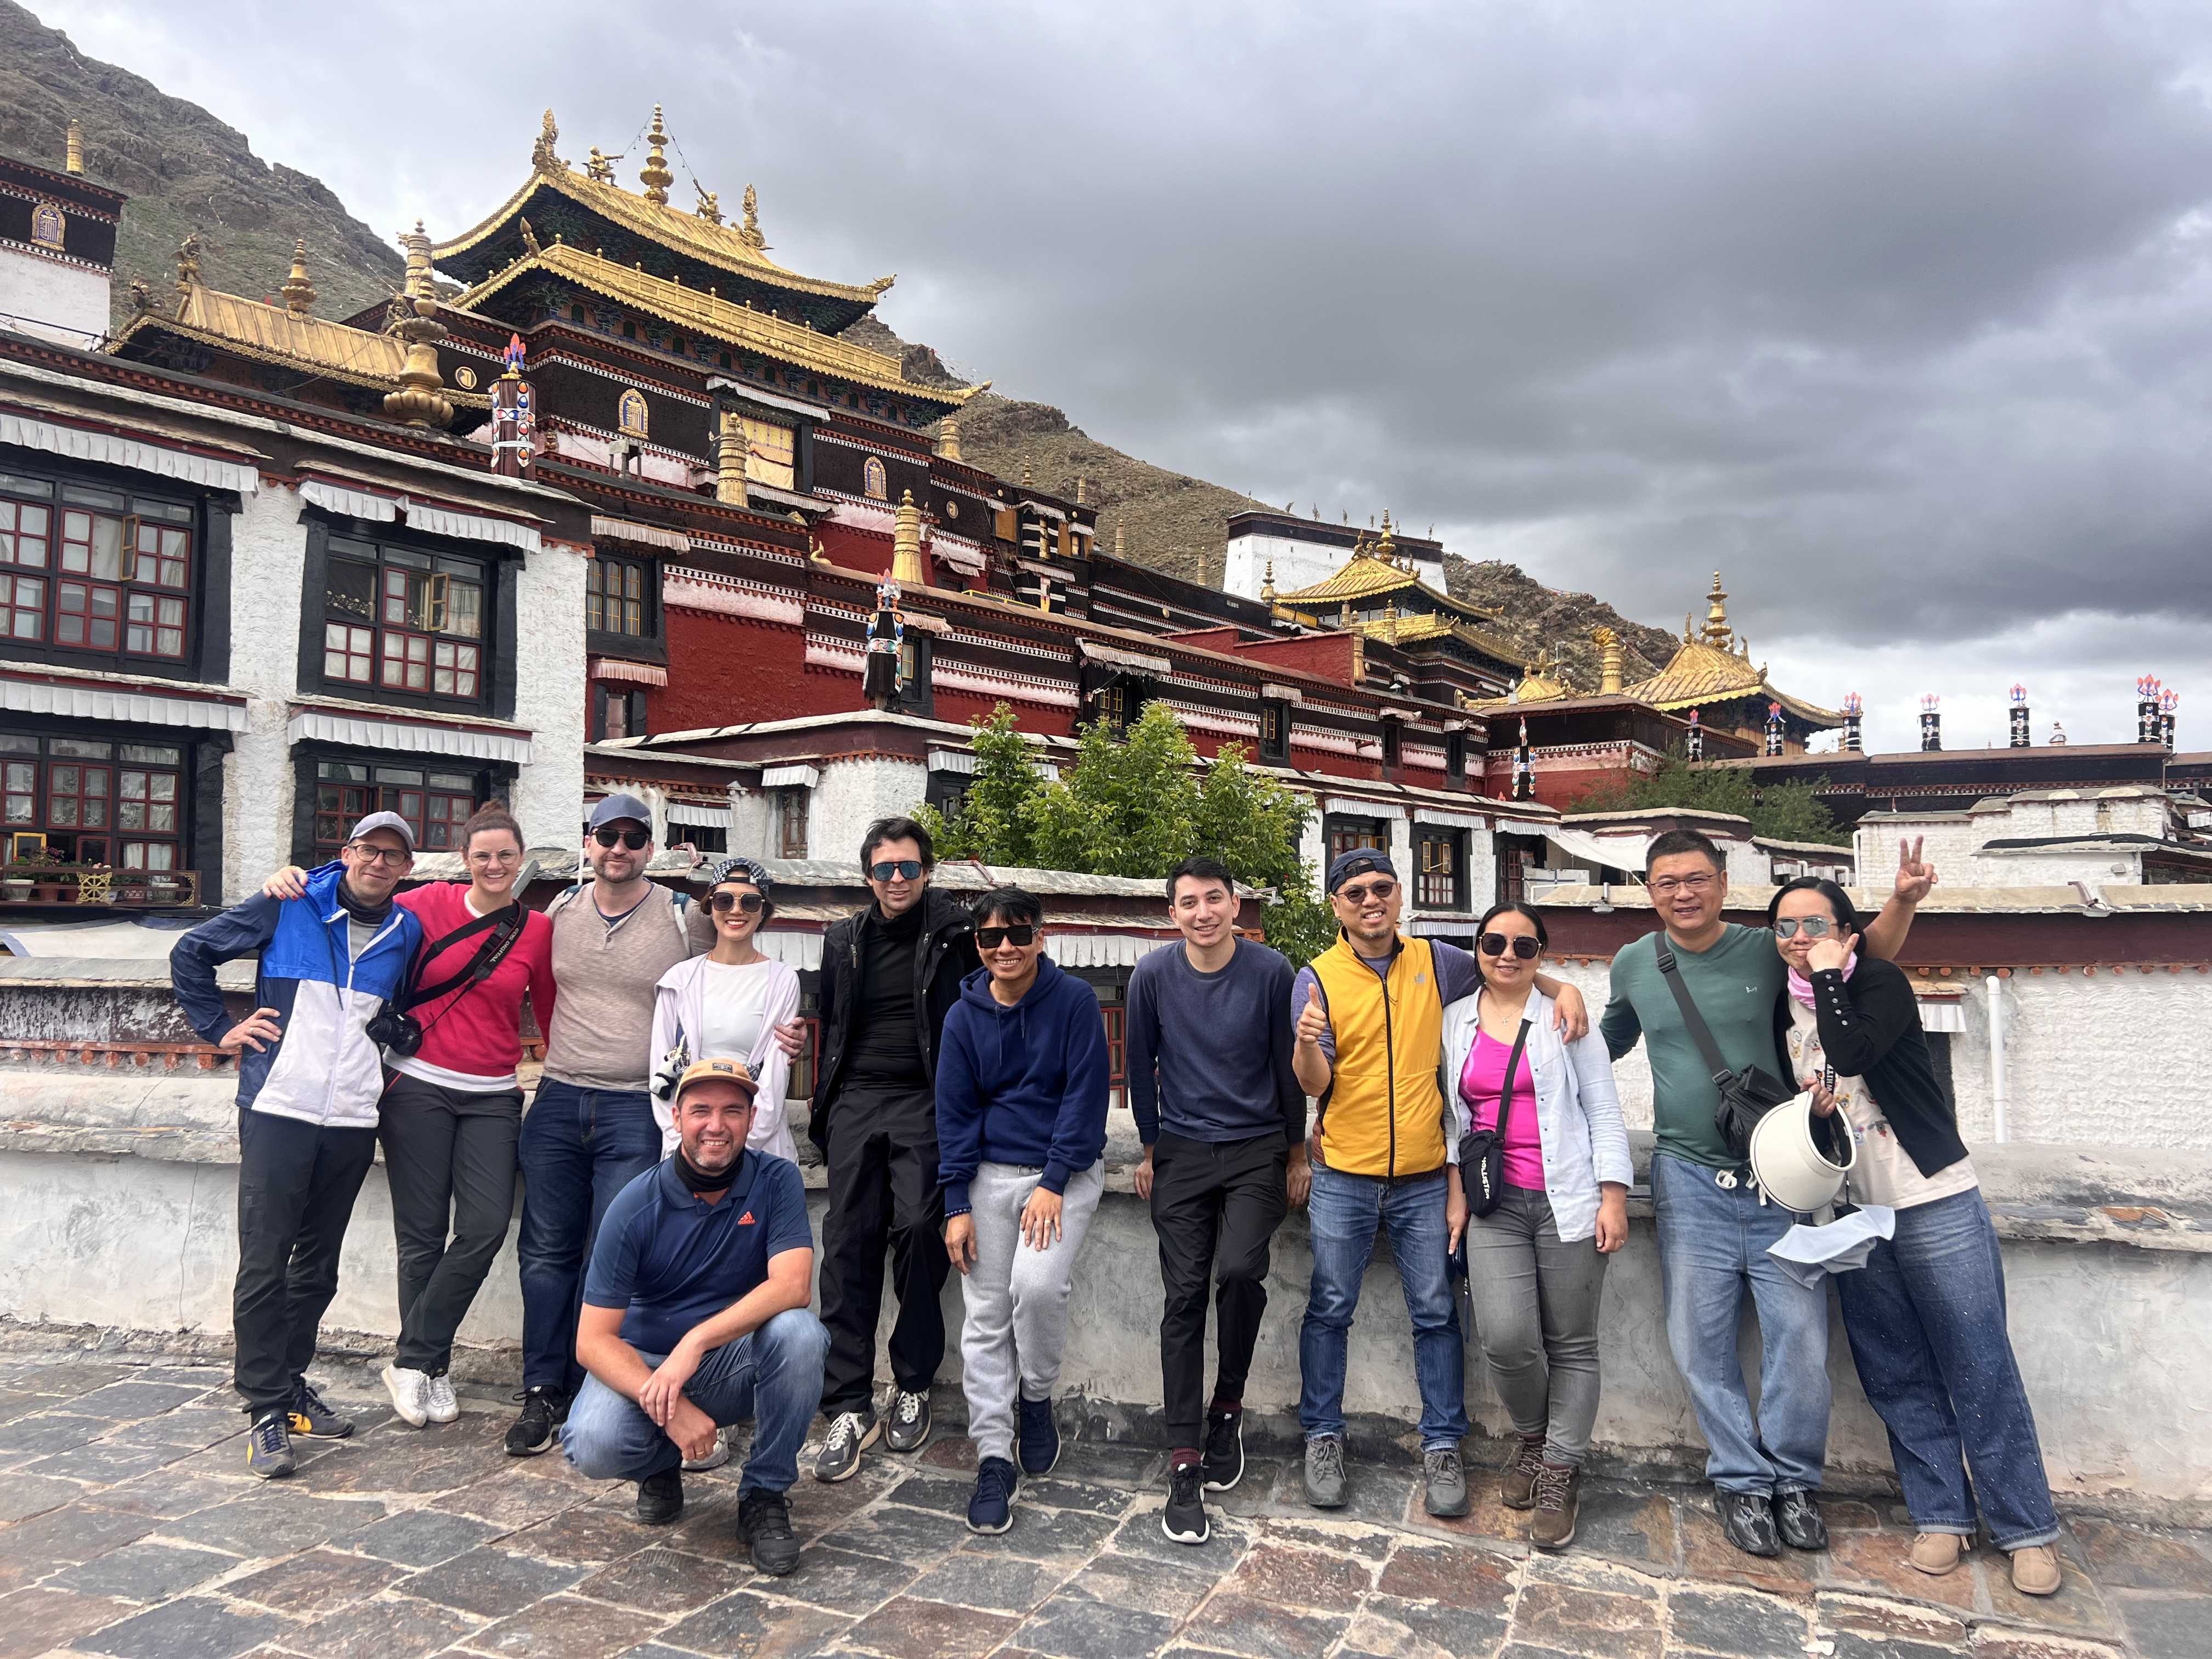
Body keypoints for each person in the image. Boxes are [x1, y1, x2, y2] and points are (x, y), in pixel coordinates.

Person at [1600, 828, 1934, 1558]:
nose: (1681, 894)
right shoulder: (1633, 963)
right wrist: (1555, 996)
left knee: (1800, 1342)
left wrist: (1901, 901)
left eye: (1695, 879)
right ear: (1649, 891)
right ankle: (1742, 1484)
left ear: (1723, 882)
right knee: (1701, 1343)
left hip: (1781, 1181)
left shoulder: (1763, 949)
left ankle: (1794, 1482)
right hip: (1688, 1180)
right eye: (1665, 883)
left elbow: (1862, 952)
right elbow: (1606, 1043)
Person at [1768, 877, 2062, 1598]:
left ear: (1847, 931)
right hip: (1853, 1213)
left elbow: (1853, 1046)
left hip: (1932, 1199)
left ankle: (2025, 1527)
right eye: (1785, 928)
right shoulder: (1784, 1005)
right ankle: (1941, 1515)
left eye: (1815, 924)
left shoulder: (1880, 983)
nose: (1799, 938)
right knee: (1895, 1368)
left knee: (1979, 1360)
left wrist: (1832, 976)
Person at [1290, 848, 1590, 1520]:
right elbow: (1315, 1084)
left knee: (1435, 1311)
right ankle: (1322, 1436)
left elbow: (1506, 972)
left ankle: (1443, 1444)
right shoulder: (1315, 979)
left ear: (1400, 899)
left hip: (1428, 1175)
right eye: (1355, 892)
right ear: (1336, 905)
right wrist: (1308, 1042)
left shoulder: (1438, 961)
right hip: (1343, 1173)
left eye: (1383, 889)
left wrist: (1561, 988)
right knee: (1331, 1307)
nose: (1371, 901)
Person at [261, 803, 558, 1431]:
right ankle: (435, 1368)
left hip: (494, 1091)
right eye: (483, 855)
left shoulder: (535, 930)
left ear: (521, 860)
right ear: (464, 861)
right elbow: (353, 888)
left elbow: (556, 1014)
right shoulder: (427, 906)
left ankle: (412, 1358)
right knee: (420, 1235)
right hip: (416, 1084)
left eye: (506, 855)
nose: (495, 866)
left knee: (481, 1228)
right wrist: (292, 876)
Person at [170, 812, 424, 1478]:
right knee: (265, 1260)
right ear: (346, 853)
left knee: (316, 1266)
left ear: (406, 869)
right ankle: (263, 1408)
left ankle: (289, 1385)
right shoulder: (289, 902)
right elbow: (191, 952)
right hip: (279, 1106)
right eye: (368, 849)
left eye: (393, 855)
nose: (378, 862)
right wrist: (218, 1028)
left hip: (348, 1116)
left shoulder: (408, 930)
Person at [562, 1057, 828, 1577]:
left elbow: (793, 1286)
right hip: (647, 1365)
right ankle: (659, 1466)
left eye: (733, 1111)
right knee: (592, 1444)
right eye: (701, 1110)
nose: (716, 1125)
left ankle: (764, 1494)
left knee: (801, 1336)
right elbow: (592, 1342)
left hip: (724, 1361)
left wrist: (698, 1342)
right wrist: (670, 1407)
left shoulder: (776, 1181)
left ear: (752, 1119)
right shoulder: (635, 1204)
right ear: (677, 1118)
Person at [1127, 855, 1307, 1547]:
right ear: (1171, 914)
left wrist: (1296, 1152)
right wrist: (1148, 1148)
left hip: (1257, 1147)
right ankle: (1183, 1457)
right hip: (1181, 1150)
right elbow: (1140, 1066)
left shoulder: (1271, 972)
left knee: (1237, 1271)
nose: (1202, 912)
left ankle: (1227, 1405)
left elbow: (1289, 1070)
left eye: (1214, 899)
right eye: (1188, 903)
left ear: (1236, 906)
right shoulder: (1151, 976)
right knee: (1181, 1296)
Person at [1441, 900, 1631, 1551]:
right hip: (1495, 1201)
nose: (1508, 955)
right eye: (1495, 942)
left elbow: (1604, 1108)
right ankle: (1532, 1438)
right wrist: (1456, 1193)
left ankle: (1558, 1469)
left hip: (1569, 1197)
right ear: (1477, 948)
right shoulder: (1454, 1021)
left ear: (1541, 956)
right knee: (1506, 1337)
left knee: (1572, 1342)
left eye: (1525, 948)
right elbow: (1452, 1120)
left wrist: (1613, 1196)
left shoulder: (1566, 1018)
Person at [809, 816, 979, 1482]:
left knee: (918, 1228)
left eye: (909, 867)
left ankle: (912, 1381)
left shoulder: (959, 933)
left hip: (928, 1101)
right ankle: (846, 1404)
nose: (898, 880)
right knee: (848, 1239)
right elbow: (833, 1024)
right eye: (885, 870)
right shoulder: (843, 938)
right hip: (856, 1099)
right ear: (868, 877)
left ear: (928, 870)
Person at [936, 888, 1111, 1534]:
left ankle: (1035, 1398)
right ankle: (992, 1457)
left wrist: (1054, 1181)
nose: (1005, 948)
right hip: (986, 1177)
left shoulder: (1074, 1002)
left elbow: (1086, 1099)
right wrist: (956, 1201)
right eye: (990, 938)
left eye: (1017, 934)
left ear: (1041, 936)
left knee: (1036, 1289)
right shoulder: (964, 1016)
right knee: (985, 1315)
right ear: (977, 947)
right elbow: (954, 1112)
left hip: (1060, 1176)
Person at [651, 856, 803, 1163]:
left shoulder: (782, 980)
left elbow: (774, 1076)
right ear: (710, 907)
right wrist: (679, 1137)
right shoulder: (680, 980)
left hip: (757, 1148)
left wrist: (745, 1145)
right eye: (724, 900)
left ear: (763, 911)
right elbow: (660, 1067)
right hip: (688, 1145)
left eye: (749, 902)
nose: (736, 911)